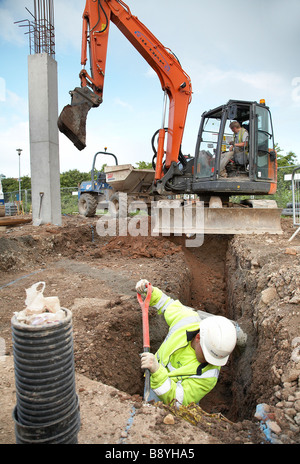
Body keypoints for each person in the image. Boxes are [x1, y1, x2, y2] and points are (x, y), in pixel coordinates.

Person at [136, 279, 237, 407]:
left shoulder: (209, 376)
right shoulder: (186, 320)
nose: (210, 362)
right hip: (152, 373)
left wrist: (157, 371)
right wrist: (149, 290)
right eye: (207, 354)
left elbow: (178, 401)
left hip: (168, 405)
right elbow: (165, 303)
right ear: (198, 337)